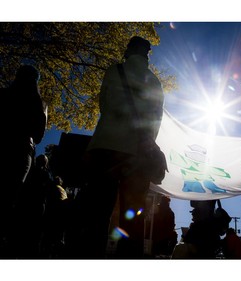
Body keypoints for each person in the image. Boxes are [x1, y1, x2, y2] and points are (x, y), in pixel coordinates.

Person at [77, 36, 164, 258]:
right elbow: (156, 119)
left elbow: (104, 104)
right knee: (132, 218)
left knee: (97, 213)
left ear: (128, 51)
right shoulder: (155, 82)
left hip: (106, 148)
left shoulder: (113, 71)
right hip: (137, 155)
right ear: (146, 55)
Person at [0, 65, 47, 258]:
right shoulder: (38, 103)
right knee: (9, 196)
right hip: (21, 149)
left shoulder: (2, 95)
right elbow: (38, 136)